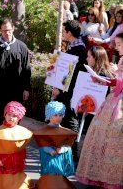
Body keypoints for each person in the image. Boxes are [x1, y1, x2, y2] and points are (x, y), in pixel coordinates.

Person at [75, 32, 123, 189]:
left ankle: (114, 178)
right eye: (116, 44)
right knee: (100, 134)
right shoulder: (121, 59)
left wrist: (114, 79)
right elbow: (117, 83)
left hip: (119, 105)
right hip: (114, 100)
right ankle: (102, 175)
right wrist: (103, 81)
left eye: (120, 44)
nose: (117, 47)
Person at [0, 17, 31, 128]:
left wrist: (26, 88)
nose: (7, 33)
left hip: (15, 91)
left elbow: (26, 69)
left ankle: (11, 144)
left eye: (9, 30)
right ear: (0, 30)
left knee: (14, 120)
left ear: (13, 28)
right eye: (4, 30)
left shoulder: (22, 47)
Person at [53, 20, 87, 163]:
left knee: (71, 120)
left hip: (71, 91)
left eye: (64, 31)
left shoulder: (79, 49)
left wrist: (59, 89)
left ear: (69, 32)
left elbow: (70, 75)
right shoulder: (74, 47)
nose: (63, 34)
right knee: (66, 120)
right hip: (67, 90)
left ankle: (73, 153)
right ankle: (68, 152)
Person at [0, 101, 34, 189]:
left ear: (19, 118)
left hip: (15, 165)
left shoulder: (22, 132)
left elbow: (21, 148)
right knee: (2, 182)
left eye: (14, 116)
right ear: (5, 115)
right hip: (2, 165)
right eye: (9, 114)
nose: (11, 118)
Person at [33, 101, 77, 189]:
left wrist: (63, 149)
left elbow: (68, 145)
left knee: (59, 176)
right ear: (49, 115)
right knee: (50, 176)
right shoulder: (42, 132)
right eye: (55, 115)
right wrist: (48, 150)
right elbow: (41, 144)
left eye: (60, 115)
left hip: (59, 159)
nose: (58, 118)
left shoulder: (66, 132)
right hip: (49, 160)